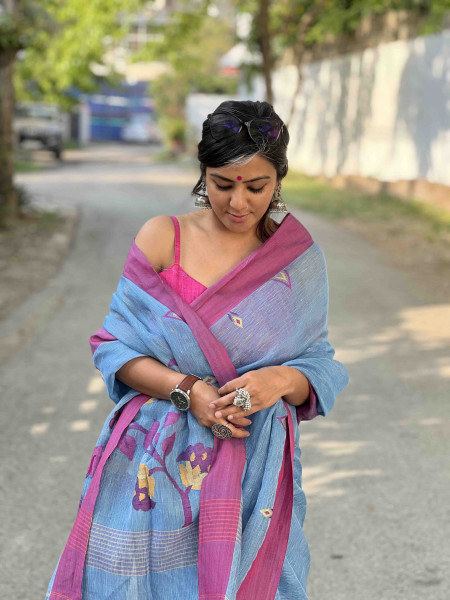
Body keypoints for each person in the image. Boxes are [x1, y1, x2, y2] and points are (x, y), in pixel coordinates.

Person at [46, 100, 349, 600]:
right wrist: (189, 390)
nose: (238, 203)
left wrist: (280, 381)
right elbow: (114, 347)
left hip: (253, 462)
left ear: (279, 179)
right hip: (153, 464)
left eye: (257, 187)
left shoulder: (296, 261)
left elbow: (319, 364)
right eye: (222, 184)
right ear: (203, 173)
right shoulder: (164, 238)